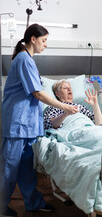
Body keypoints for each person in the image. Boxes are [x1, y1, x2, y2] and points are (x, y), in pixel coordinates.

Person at [0, 24, 79, 217]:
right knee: (9, 167)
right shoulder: (24, 60)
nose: (46, 45)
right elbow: (37, 93)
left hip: (27, 124)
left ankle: (33, 203)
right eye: (44, 40)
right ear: (33, 39)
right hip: (17, 123)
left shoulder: (27, 60)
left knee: (27, 166)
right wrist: (65, 107)